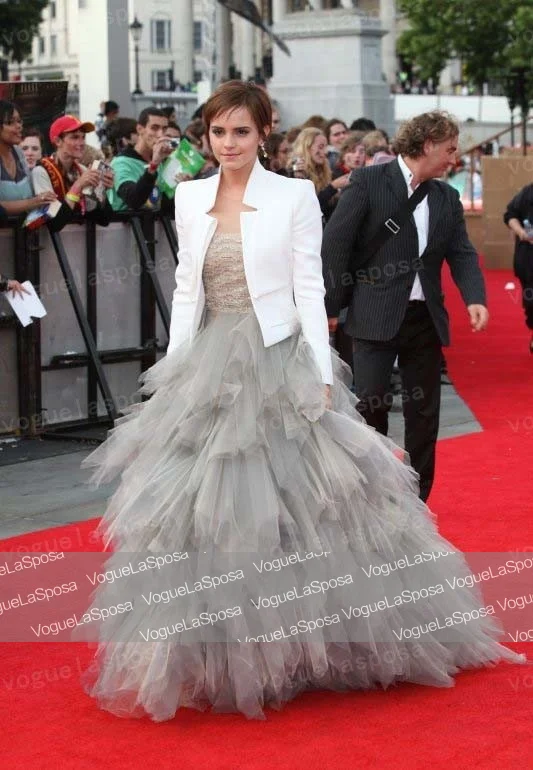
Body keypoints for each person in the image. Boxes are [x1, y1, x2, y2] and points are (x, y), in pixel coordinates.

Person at [78, 84, 524, 723]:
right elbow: (185, 290)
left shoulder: (292, 196)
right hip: (209, 361)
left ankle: (313, 644)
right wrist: (174, 371)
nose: (227, 144)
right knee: (197, 509)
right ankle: (209, 653)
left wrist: (319, 371)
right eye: (217, 132)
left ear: (264, 133)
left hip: (278, 355)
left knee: (304, 502)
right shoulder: (192, 196)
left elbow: (310, 288)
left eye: (240, 131)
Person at [322, 111, 489, 503]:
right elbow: (336, 244)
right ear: (427, 144)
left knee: (424, 413)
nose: (454, 158)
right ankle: (372, 495)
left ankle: (416, 498)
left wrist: (475, 297)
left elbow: (461, 252)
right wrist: (330, 305)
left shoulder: (446, 197)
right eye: (449, 149)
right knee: (370, 405)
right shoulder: (369, 181)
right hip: (374, 313)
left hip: (424, 318)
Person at [32, 115, 114, 230]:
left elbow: (104, 219)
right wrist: (78, 186)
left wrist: (101, 190)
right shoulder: (41, 171)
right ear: (58, 141)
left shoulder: (82, 170)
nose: (82, 143)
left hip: (75, 240)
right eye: (75, 137)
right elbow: (54, 223)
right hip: (49, 241)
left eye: (83, 137)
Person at [107, 107, 173, 212]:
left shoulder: (158, 160)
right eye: (154, 128)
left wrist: (181, 185)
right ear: (140, 129)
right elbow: (133, 200)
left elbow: (160, 205)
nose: (160, 135)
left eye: (164, 129)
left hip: (153, 221)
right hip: (127, 222)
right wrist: (153, 165)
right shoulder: (121, 163)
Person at [0, 100, 56, 216]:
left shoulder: (18, 152)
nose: (19, 126)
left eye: (19, 121)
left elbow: (32, 193)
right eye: (10, 122)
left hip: (25, 226)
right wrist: (34, 202)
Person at [289, 127, 350, 221]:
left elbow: (327, 209)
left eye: (326, 147)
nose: (325, 152)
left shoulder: (324, 169)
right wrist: (332, 187)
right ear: (307, 147)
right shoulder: (296, 171)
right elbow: (309, 207)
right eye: (321, 147)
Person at [504, 183, 533, 352]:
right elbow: (510, 215)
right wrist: (521, 232)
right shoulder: (527, 193)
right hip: (528, 259)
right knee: (531, 301)